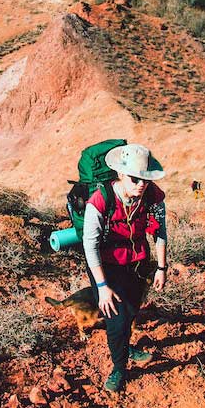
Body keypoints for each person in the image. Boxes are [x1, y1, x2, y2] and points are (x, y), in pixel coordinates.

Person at [82, 144, 167, 392]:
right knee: (116, 320)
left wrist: (161, 267)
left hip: (138, 261)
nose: (141, 184)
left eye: (145, 179)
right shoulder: (100, 200)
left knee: (130, 310)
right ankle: (119, 368)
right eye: (135, 179)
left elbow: (160, 232)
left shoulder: (153, 196)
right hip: (106, 266)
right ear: (121, 175)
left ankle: (125, 346)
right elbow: (91, 245)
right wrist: (102, 286)